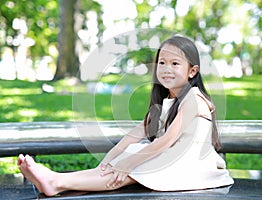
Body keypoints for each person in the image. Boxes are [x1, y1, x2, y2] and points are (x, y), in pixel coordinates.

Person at [17, 35, 234, 196]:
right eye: (162, 62)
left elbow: (166, 141)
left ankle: (56, 182)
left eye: (175, 64)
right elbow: (135, 133)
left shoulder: (194, 99)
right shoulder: (166, 99)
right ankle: (56, 180)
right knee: (129, 154)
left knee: (133, 167)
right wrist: (109, 160)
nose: (166, 69)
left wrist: (127, 164)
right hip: (172, 157)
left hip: (191, 167)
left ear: (192, 71)